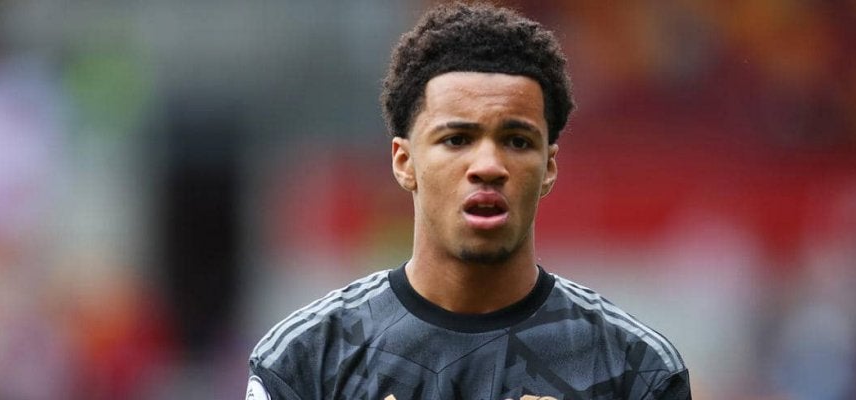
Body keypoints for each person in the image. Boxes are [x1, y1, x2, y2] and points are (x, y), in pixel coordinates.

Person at [246, 3, 690, 399]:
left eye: (517, 141)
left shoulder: (636, 369)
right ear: (404, 162)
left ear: (549, 167)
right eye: (457, 139)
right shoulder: (305, 360)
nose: (489, 166)